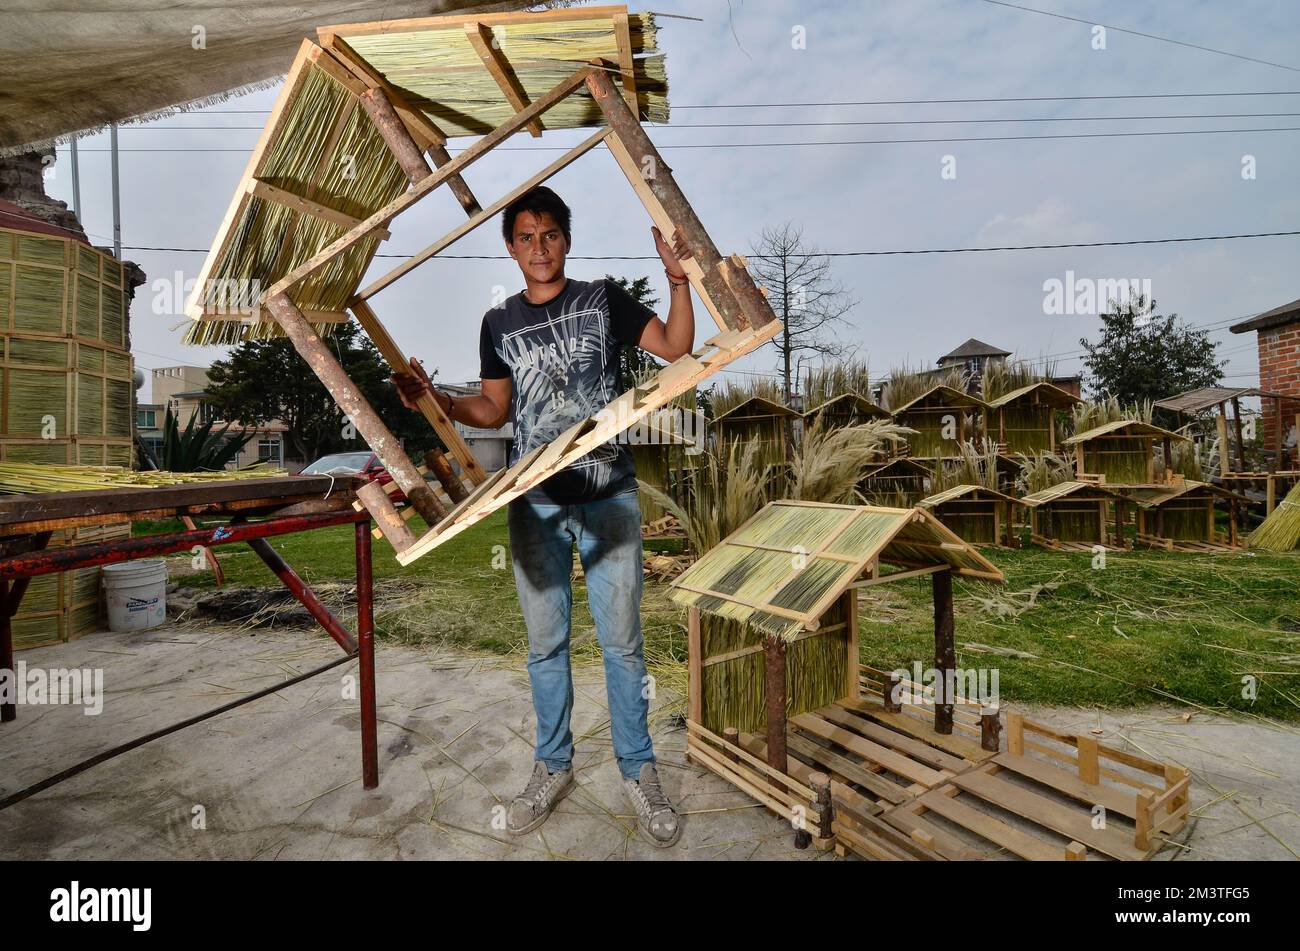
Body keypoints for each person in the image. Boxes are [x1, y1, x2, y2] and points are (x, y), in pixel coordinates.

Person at [393, 186, 695, 847]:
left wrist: (679, 280)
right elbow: (493, 411)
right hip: (536, 504)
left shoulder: (602, 299)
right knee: (545, 647)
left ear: (567, 239)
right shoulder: (498, 322)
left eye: (551, 234)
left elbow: (675, 345)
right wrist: (437, 398)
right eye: (526, 237)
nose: (539, 247)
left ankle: (639, 771)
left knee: (622, 645)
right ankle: (552, 766)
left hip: (608, 493)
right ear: (510, 247)